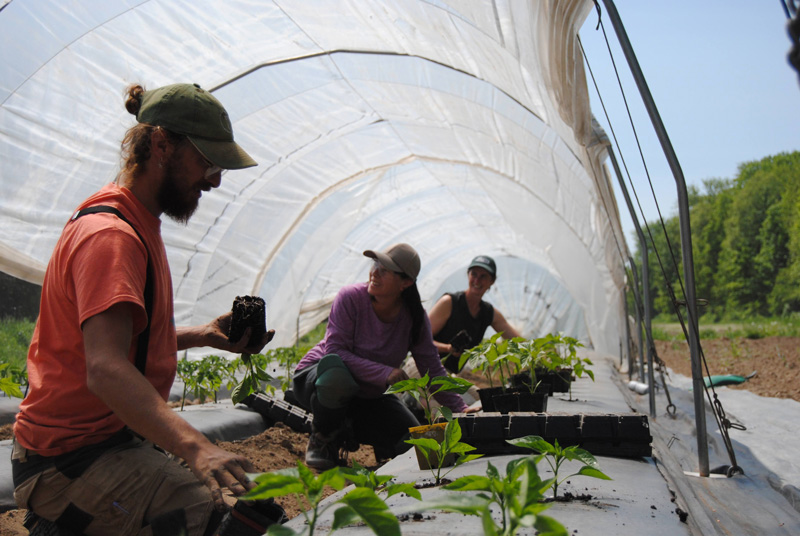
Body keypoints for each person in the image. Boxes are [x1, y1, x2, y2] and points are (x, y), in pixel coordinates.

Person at [12, 83, 285, 536]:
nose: (215, 180)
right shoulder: (111, 236)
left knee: (251, 508)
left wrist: (202, 335)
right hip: (69, 460)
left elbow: (110, 343)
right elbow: (104, 368)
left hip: (109, 443)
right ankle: (60, 521)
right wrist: (197, 447)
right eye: (208, 162)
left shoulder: (137, 221)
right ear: (162, 144)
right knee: (231, 522)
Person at [291, 243, 468, 470]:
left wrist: (461, 409)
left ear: (405, 283)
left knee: (425, 446)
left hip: (369, 393)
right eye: (375, 264)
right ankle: (322, 439)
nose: (375, 272)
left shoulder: (414, 318)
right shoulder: (351, 298)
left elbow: (431, 368)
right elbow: (335, 352)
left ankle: (351, 430)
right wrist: (386, 372)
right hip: (319, 377)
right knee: (337, 377)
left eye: (385, 269)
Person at [429, 255, 521, 372]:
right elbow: (421, 340)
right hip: (425, 366)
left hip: (449, 375)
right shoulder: (449, 302)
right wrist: (448, 348)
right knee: (451, 390)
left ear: (491, 281)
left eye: (483, 276)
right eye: (474, 274)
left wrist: (541, 354)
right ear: (468, 275)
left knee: (476, 391)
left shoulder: (488, 313)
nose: (477, 281)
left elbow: (517, 341)